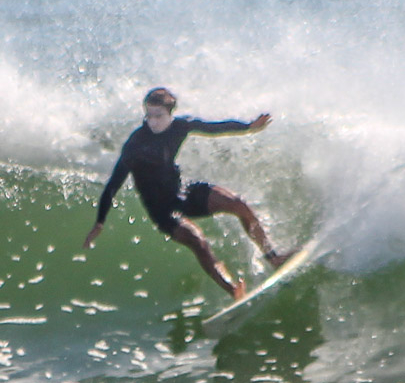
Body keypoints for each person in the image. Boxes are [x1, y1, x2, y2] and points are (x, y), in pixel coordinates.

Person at [82, 87, 291, 301]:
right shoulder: (135, 145)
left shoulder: (181, 126)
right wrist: (100, 222)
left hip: (181, 191)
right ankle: (234, 292)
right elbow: (113, 184)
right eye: (148, 116)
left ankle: (273, 257)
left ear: (170, 113)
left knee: (238, 204)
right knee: (197, 240)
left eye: (158, 116)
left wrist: (248, 127)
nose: (152, 121)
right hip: (161, 209)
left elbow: (213, 128)